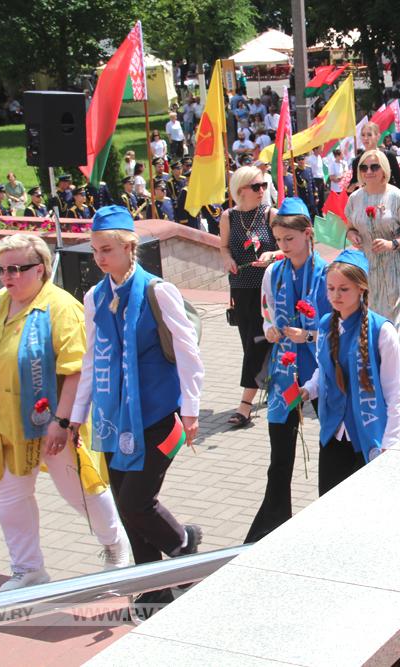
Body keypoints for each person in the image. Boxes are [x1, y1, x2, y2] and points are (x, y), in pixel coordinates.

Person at [0, 234, 130, 591]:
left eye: (17, 269)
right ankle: (28, 569)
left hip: (55, 423)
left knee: (81, 493)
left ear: (40, 269)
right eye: (2, 269)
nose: (8, 277)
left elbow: (76, 368)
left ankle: (117, 548)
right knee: (9, 498)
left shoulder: (60, 306)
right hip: (4, 421)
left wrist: (63, 421)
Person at [70, 206, 204, 617]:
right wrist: (76, 414)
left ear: (131, 246)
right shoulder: (96, 297)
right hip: (112, 419)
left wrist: (191, 409)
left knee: (135, 501)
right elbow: (92, 359)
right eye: (95, 251)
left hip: (159, 415)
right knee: (131, 507)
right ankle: (154, 587)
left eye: (107, 249)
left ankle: (184, 546)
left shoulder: (157, 291)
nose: (99, 258)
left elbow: (187, 352)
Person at [244, 198, 331, 543]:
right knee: (280, 453)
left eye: (289, 240)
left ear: (308, 234)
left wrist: (308, 334)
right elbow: (266, 311)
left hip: (321, 369)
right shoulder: (274, 272)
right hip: (284, 372)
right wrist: (269, 328)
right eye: (278, 240)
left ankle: (331, 513)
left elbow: (341, 326)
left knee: (333, 443)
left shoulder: (327, 274)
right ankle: (273, 523)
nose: (282, 247)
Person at [301, 249, 400, 494]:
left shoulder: (382, 331)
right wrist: (308, 389)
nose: (335, 295)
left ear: (362, 288)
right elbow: (323, 370)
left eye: (343, 289)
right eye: (330, 288)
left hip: (368, 436)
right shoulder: (326, 323)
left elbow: (396, 391)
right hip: (333, 434)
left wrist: (391, 440)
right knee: (330, 506)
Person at [219, 166, 283, 427]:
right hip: (240, 287)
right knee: (250, 343)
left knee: (258, 342)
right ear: (240, 189)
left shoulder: (270, 214)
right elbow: (223, 246)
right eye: (256, 187)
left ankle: (245, 406)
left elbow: (287, 246)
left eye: (264, 186)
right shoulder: (228, 217)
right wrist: (227, 259)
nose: (261, 191)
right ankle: (272, 384)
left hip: (266, 289)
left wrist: (272, 255)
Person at [345, 149, 400, 336]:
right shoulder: (355, 198)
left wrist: (392, 244)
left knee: (390, 318)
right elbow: (349, 228)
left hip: (393, 267)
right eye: (364, 167)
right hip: (365, 266)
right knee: (368, 315)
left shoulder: (396, 197)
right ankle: (373, 359)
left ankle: (391, 359)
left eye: (374, 167)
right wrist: (352, 235)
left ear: (384, 170)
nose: (368, 171)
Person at [348, 122, 400, 192]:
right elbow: (352, 188)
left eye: (369, 135)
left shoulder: (389, 156)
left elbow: (399, 181)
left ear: (378, 136)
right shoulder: (357, 161)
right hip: (367, 200)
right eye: (363, 135)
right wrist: (355, 185)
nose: (365, 138)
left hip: (387, 198)